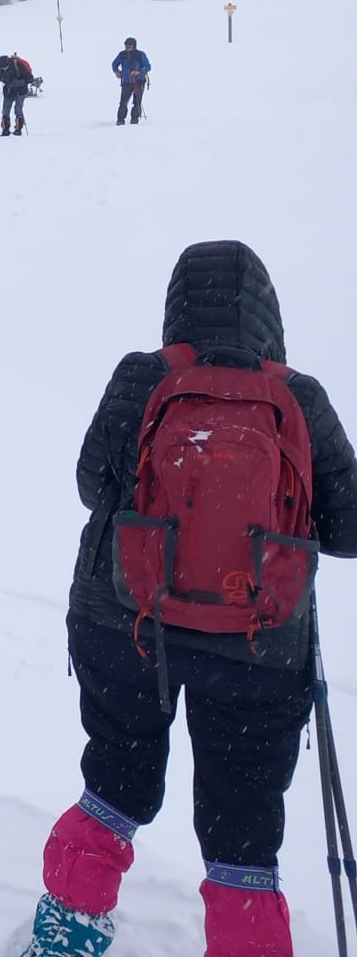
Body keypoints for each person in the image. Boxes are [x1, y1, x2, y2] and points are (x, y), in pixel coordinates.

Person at [19, 241, 357, 957]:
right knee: (243, 826)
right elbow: (349, 527)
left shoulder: (144, 376)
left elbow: (90, 483)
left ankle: (69, 930)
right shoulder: (299, 395)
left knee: (114, 778)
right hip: (258, 646)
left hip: (129, 626)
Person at [0, 52, 38, 136]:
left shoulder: (18, 64)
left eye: (5, 67)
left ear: (8, 62)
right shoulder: (1, 67)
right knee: (5, 110)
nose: (4, 68)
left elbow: (30, 78)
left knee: (18, 109)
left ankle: (18, 130)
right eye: (2, 67)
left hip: (20, 91)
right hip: (9, 91)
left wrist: (19, 83)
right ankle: (5, 130)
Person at [112, 37, 152, 126]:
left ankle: (134, 119)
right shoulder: (122, 54)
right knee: (123, 102)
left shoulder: (140, 54)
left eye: (130, 44)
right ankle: (120, 120)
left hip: (139, 81)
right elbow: (114, 64)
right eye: (126, 44)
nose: (127, 46)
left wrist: (139, 71)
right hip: (126, 82)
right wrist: (116, 71)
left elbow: (148, 66)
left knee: (137, 101)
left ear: (134, 45)